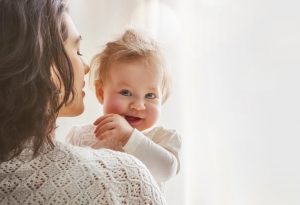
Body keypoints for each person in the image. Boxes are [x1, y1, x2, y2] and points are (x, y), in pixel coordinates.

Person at [0, 0, 166, 204]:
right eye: (77, 51)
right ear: (42, 61)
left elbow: (166, 168)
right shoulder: (124, 179)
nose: (86, 67)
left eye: (150, 95)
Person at [66, 29, 182, 189]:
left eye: (150, 95)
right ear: (101, 92)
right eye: (126, 93)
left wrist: (129, 136)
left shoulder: (162, 138)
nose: (138, 105)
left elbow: (166, 171)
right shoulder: (81, 137)